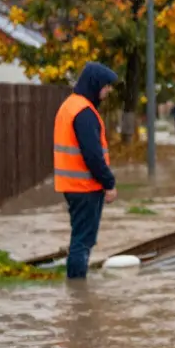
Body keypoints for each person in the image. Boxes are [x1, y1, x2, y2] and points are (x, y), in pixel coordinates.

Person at [52, 62, 120, 280]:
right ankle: (77, 291)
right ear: (95, 84)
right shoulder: (84, 112)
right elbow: (93, 156)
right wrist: (109, 183)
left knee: (79, 238)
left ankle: (76, 287)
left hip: (72, 186)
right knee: (83, 241)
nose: (108, 90)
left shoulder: (70, 105)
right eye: (106, 86)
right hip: (85, 187)